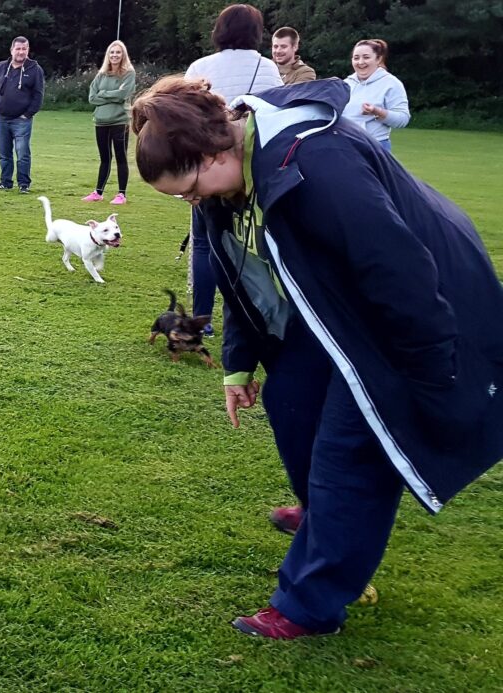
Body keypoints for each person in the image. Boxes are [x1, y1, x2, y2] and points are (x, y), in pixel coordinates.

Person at [132, 75, 503, 639]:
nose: (192, 202)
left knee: (349, 453)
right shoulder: (229, 181)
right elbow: (240, 279)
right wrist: (238, 364)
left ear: (214, 150)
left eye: (189, 189)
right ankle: (324, 515)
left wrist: (432, 369)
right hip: (337, 305)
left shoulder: (316, 160)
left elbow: (397, 269)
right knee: (289, 399)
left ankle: (310, 605)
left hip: (410, 312)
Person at [183, 4, 282, 337]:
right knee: (250, 245)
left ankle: (202, 318)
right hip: (251, 172)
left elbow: (183, 118)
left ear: (219, 30)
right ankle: (250, 315)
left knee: (203, 244)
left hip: (206, 169)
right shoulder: (267, 68)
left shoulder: (200, 67)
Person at [0, 37, 45, 194]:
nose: (21, 52)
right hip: (2, 118)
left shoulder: (35, 70)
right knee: (4, 153)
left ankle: (24, 184)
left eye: (24, 49)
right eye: (18, 49)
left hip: (22, 119)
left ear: (28, 50)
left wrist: (28, 114)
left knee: (22, 154)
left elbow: (38, 95)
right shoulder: (1, 67)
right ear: (12, 50)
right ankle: (5, 182)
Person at [82, 40, 136, 205]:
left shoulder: (128, 73)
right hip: (101, 122)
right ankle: (98, 192)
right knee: (105, 158)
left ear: (123, 55)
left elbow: (123, 95)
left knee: (121, 157)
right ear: (108, 55)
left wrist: (103, 93)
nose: (114, 55)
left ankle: (121, 194)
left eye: (118, 52)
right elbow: (92, 97)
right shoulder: (101, 74)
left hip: (120, 121)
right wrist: (111, 94)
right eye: (112, 52)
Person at [343, 39, 410, 152]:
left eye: (366, 57)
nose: (360, 62)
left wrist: (376, 111)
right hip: (345, 146)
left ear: (378, 59)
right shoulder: (345, 84)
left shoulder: (391, 83)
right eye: (356, 58)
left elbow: (402, 119)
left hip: (376, 147)